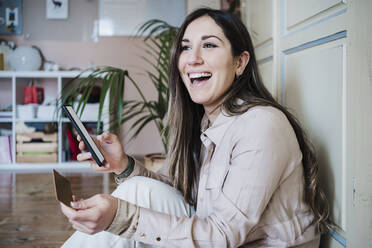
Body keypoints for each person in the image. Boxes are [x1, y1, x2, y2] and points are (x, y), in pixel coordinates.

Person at [60, 8, 329, 247]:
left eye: (209, 45)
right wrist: (124, 166)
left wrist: (118, 216)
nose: (192, 58)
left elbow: (223, 235)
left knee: (130, 202)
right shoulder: (209, 123)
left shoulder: (261, 126)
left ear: (240, 62)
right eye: (186, 47)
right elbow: (173, 192)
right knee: (138, 190)